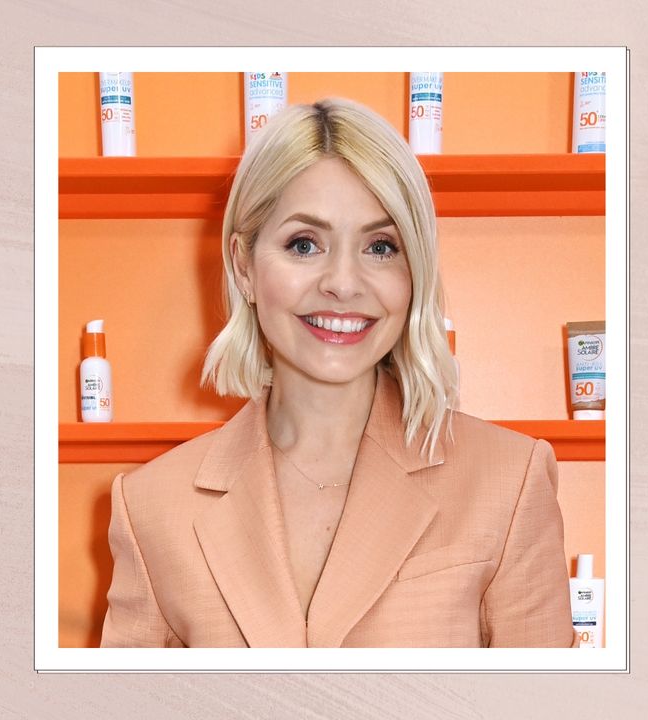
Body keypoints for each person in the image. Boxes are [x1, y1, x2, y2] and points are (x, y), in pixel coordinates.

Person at [99, 97, 577, 648]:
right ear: (243, 266)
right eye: (305, 244)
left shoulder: (509, 480)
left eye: (380, 246)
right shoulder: (152, 505)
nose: (343, 283)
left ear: (413, 272)